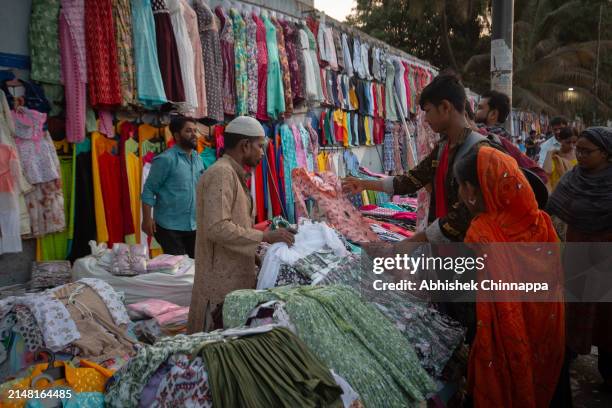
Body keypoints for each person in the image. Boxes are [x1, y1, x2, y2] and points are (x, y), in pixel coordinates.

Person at [454, 146, 565, 407]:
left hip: (505, 356)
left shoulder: (483, 236)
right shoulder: (541, 222)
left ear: (470, 192)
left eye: (460, 186)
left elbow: (471, 307)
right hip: (548, 342)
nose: (459, 194)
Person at [343, 73, 489, 244]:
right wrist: (364, 184)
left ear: (445, 107)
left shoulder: (478, 152)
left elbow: (463, 215)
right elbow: (411, 180)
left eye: (428, 111)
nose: (425, 119)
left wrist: (414, 243)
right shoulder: (444, 147)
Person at [187, 116, 295, 334]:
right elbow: (217, 227)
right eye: (260, 146)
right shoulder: (221, 174)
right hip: (218, 283)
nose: (263, 153)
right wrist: (264, 237)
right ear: (245, 146)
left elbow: (236, 225)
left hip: (233, 279)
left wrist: (259, 259)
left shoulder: (233, 174)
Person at [547, 127, 612, 392]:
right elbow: (554, 212)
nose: (580, 156)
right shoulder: (574, 178)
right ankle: (567, 358)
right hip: (576, 256)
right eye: (579, 150)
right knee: (574, 311)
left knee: (606, 319)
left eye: (587, 151)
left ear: (606, 154)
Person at [141, 116, 203, 258]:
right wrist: (146, 220)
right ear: (177, 135)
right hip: (169, 228)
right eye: (188, 131)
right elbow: (149, 190)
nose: (194, 134)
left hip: (193, 226)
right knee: (178, 271)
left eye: (195, 130)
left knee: (194, 269)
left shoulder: (198, 159)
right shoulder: (165, 159)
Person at [474, 89, 548, 183]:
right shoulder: (508, 143)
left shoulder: (482, 136)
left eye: (480, 108)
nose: (475, 111)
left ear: (493, 114)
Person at [543, 126, 577, 191]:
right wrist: (549, 154)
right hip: (556, 194)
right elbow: (546, 172)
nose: (571, 146)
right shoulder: (554, 156)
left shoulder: (579, 156)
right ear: (560, 140)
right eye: (568, 142)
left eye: (574, 142)